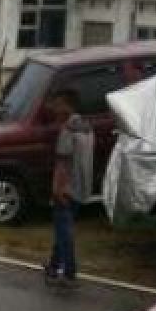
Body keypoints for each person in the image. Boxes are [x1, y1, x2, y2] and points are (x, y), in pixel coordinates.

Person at [46, 88, 93, 287]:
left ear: (66, 105)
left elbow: (63, 162)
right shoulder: (87, 127)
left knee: (64, 231)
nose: (54, 108)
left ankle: (69, 272)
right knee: (62, 228)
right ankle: (54, 265)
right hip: (82, 186)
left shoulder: (68, 130)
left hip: (67, 188)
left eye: (57, 104)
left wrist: (58, 189)